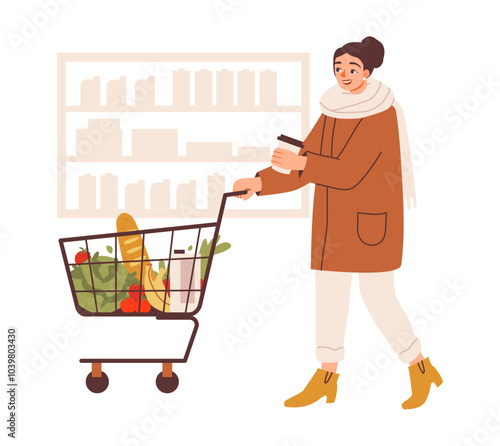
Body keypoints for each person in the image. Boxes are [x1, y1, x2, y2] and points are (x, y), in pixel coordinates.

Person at [233, 36, 442, 409]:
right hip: (332, 225)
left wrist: (303, 164)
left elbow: (350, 172)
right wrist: (262, 182)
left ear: (368, 71)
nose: (343, 74)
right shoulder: (333, 109)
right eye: (338, 67)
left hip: (370, 227)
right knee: (329, 297)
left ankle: (419, 366)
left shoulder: (381, 113)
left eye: (352, 68)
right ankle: (326, 376)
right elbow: (307, 161)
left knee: (377, 298)